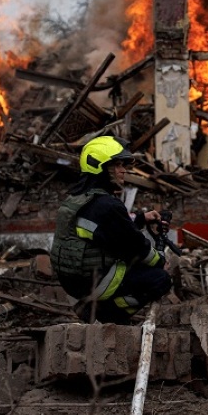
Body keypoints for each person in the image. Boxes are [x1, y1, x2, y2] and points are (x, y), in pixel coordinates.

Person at [50, 135, 172, 324]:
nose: (123, 170)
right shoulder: (108, 206)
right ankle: (109, 314)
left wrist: (140, 219)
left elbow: (112, 231)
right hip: (94, 285)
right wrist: (159, 260)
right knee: (160, 279)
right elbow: (136, 248)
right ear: (99, 167)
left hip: (74, 282)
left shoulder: (79, 198)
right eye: (116, 165)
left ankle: (100, 307)